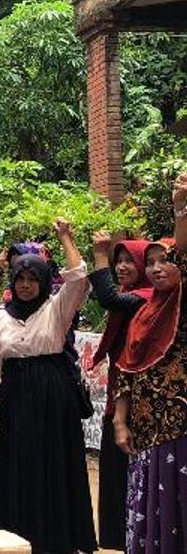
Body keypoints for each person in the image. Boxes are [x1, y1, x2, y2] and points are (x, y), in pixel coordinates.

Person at [0, 218, 96, 553]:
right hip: (14, 394)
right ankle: (19, 537)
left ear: (44, 281)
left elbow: (78, 279)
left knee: (53, 462)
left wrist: (66, 238)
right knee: (17, 462)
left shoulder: (56, 308)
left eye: (33, 278)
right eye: (20, 278)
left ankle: (57, 540)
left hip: (52, 393)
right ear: (13, 281)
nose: (26, 285)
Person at [115, 173, 187, 554]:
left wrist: (180, 207)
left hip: (180, 425)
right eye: (152, 262)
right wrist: (120, 421)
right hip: (145, 427)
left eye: (166, 261)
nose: (158, 268)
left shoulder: (181, 305)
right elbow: (126, 371)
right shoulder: (144, 313)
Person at [88, 231, 151, 551]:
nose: (122, 266)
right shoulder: (132, 295)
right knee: (114, 469)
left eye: (130, 261)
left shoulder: (147, 297)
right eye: (118, 261)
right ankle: (115, 539)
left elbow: (108, 298)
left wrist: (100, 254)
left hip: (139, 398)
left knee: (133, 472)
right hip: (118, 390)